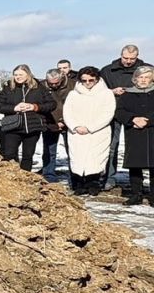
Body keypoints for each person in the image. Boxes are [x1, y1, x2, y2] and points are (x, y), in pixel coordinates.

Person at [0, 64, 56, 172]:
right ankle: (11, 178)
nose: (18, 77)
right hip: (13, 126)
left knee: (28, 155)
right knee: (10, 154)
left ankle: (25, 179)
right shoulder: (8, 88)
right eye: (15, 74)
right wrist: (14, 108)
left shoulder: (39, 87)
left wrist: (34, 107)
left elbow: (52, 104)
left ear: (28, 74)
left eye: (21, 74)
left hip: (33, 126)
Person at [63, 67, 115, 195]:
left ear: (97, 79)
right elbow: (67, 112)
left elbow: (107, 113)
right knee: (77, 157)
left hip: (97, 132)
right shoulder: (73, 94)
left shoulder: (106, 93)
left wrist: (90, 128)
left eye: (91, 80)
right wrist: (75, 126)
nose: (87, 83)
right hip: (77, 132)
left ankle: (93, 183)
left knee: (96, 158)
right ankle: (79, 183)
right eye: (84, 80)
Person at [101, 45, 143, 189]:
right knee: (112, 147)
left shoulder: (147, 69)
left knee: (138, 148)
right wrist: (111, 91)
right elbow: (98, 90)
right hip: (114, 112)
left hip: (138, 114)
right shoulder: (107, 70)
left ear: (137, 57)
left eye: (132, 58)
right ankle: (109, 178)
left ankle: (137, 183)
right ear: (121, 55)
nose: (129, 61)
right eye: (126, 58)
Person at [115, 65, 154, 205]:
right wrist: (132, 119)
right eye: (141, 77)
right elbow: (119, 112)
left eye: (147, 77)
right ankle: (136, 194)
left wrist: (148, 121)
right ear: (135, 79)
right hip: (134, 133)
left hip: (152, 132)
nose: (143, 80)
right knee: (135, 165)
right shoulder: (127, 94)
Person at [40, 68, 73, 182]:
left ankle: (74, 176)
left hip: (69, 121)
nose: (54, 85)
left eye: (56, 83)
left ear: (62, 78)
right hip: (50, 122)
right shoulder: (41, 86)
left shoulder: (72, 85)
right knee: (49, 150)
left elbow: (74, 105)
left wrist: (64, 121)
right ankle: (49, 175)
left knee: (72, 151)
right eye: (51, 83)